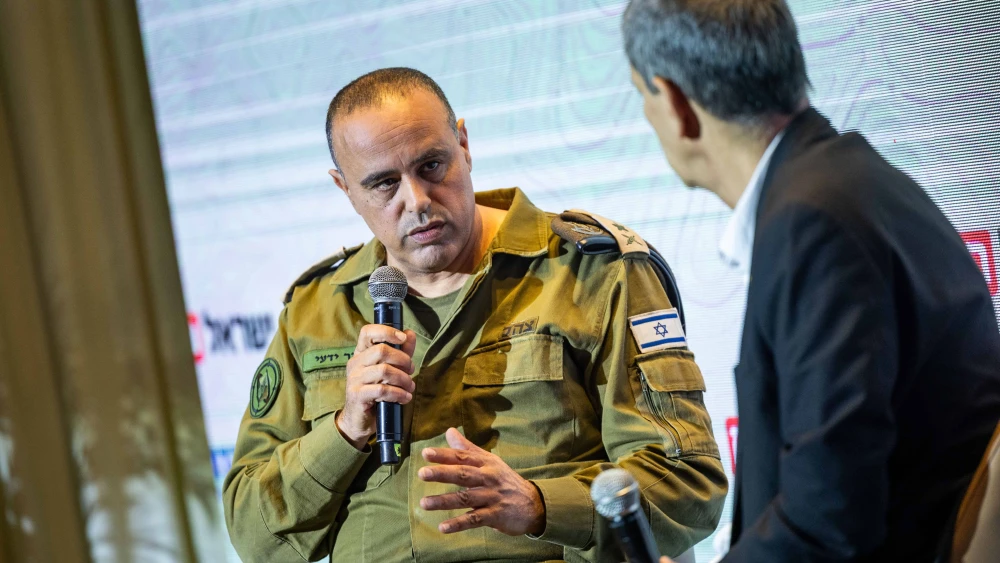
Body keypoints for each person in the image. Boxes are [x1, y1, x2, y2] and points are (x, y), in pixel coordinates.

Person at [223, 67, 728, 562]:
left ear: (463, 145)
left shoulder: (593, 272)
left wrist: (538, 505)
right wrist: (344, 429)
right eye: (383, 184)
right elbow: (255, 537)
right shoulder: (314, 308)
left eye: (431, 166)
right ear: (345, 189)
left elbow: (688, 483)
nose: (417, 201)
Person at [622, 1, 1000, 561]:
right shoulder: (848, 180)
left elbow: (829, 518)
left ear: (676, 105)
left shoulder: (812, 223)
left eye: (642, 95)